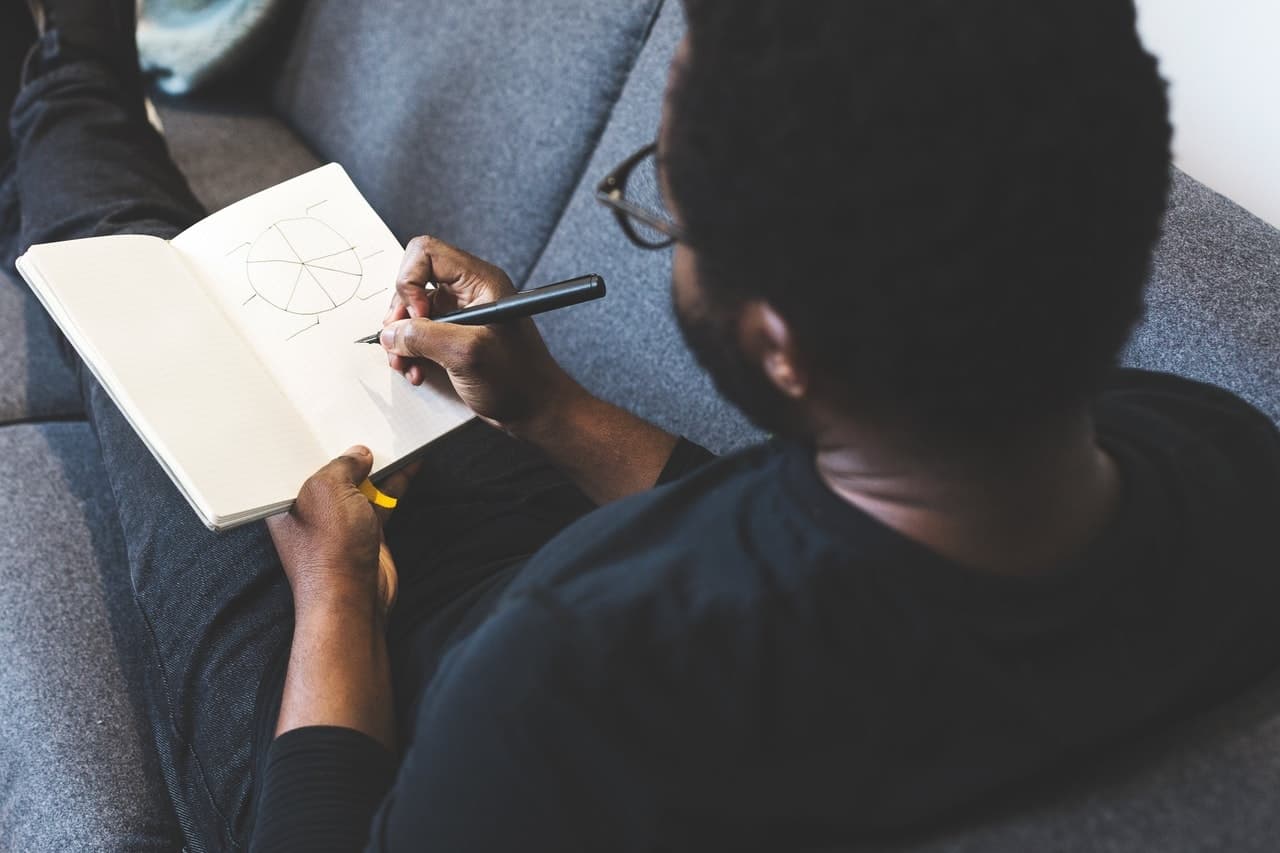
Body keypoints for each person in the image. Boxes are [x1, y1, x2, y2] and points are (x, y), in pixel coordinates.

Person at [4, 1, 1279, 851]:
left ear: (778, 341)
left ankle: (69, 70)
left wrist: (334, 587)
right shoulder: (1216, 456)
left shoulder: (571, 683)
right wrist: (550, 407)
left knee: (121, 265)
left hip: (362, 710)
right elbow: (831, 544)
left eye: (661, 201)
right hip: (563, 559)